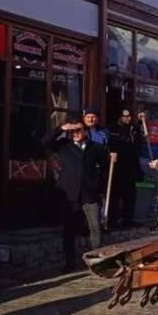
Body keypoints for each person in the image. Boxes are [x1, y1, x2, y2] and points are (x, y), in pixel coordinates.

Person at [43, 120, 115, 270]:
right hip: (69, 194)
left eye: (79, 130)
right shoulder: (64, 145)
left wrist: (98, 185)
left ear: (85, 131)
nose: (76, 133)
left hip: (89, 193)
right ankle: (70, 262)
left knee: (94, 227)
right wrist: (61, 128)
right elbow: (45, 141)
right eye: (73, 131)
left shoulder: (95, 147)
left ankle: (97, 261)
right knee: (69, 229)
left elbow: (105, 169)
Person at [107, 109, 144, 228]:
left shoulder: (132, 129)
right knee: (115, 195)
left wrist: (140, 123)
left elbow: (138, 141)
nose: (127, 119)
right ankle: (112, 220)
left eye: (129, 117)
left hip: (131, 165)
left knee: (130, 194)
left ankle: (128, 219)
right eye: (125, 117)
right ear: (120, 118)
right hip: (117, 166)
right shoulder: (113, 129)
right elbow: (113, 146)